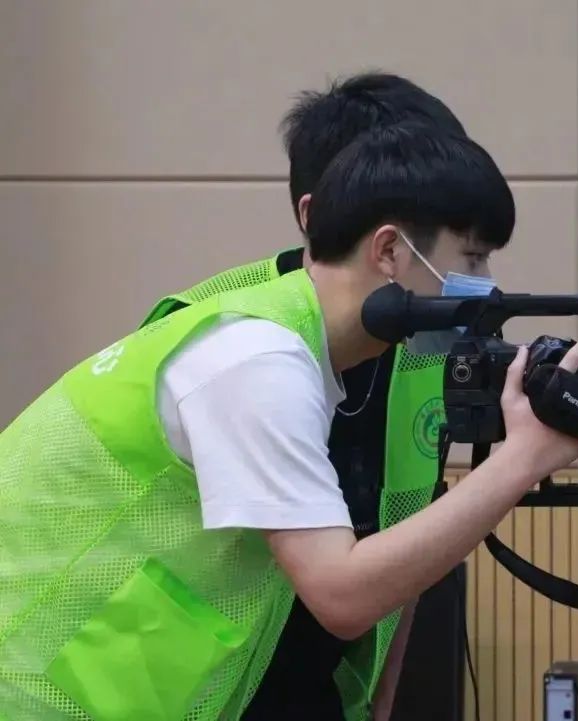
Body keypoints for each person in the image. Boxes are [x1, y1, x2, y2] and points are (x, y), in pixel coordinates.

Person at [0, 123, 578, 721]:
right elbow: (343, 595)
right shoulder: (257, 361)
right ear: (390, 250)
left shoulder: (283, 344)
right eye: (472, 258)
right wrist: (525, 458)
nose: (486, 285)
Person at [139, 72, 482, 720]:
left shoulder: (422, 355)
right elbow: (341, 591)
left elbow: (403, 541)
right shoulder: (240, 347)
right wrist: (524, 460)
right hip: (169, 693)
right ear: (315, 214)